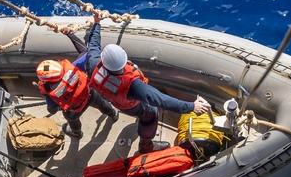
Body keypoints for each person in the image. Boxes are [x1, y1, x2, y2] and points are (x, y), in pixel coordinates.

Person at [87, 14, 209, 154]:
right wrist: (192, 106)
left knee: (146, 110)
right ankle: (146, 146)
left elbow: (93, 45)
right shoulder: (133, 86)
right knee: (151, 114)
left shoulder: (93, 63)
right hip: (132, 106)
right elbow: (161, 100)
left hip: (114, 99)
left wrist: (96, 24)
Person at [35, 21, 119, 139]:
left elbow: (52, 110)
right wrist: (69, 34)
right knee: (103, 105)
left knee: (73, 121)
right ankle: (113, 114)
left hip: (73, 110)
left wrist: (56, 102)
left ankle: (76, 133)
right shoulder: (73, 68)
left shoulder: (49, 90)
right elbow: (85, 51)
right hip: (89, 95)